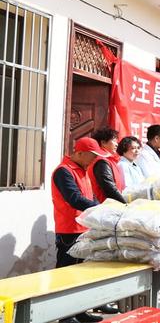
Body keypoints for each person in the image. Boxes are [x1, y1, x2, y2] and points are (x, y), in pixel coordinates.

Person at [52, 137, 111, 323]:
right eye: (92, 156)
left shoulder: (83, 170)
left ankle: (78, 311)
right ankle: (64, 316)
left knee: (81, 273)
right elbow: (74, 198)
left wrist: (100, 207)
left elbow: (89, 196)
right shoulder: (64, 172)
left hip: (84, 227)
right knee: (66, 273)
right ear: (79, 153)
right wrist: (101, 208)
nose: (94, 160)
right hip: (69, 230)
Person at [89, 128, 125, 203]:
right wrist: (124, 204)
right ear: (103, 142)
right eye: (114, 141)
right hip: (105, 207)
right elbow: (109, 188)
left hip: (111, 205)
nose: (117, 144)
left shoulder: (109, 160)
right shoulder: (101, 161)